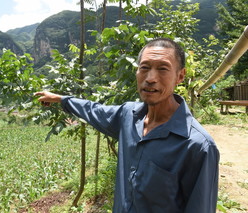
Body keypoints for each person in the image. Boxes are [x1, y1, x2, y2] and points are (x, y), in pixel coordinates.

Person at [34, 38, 219, 213]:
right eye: (144, 68)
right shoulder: (128, 116)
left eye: (163, 69)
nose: (151, 78)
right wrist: (62, 99)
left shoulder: (197, 146)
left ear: (180, 76)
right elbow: (94, 110)